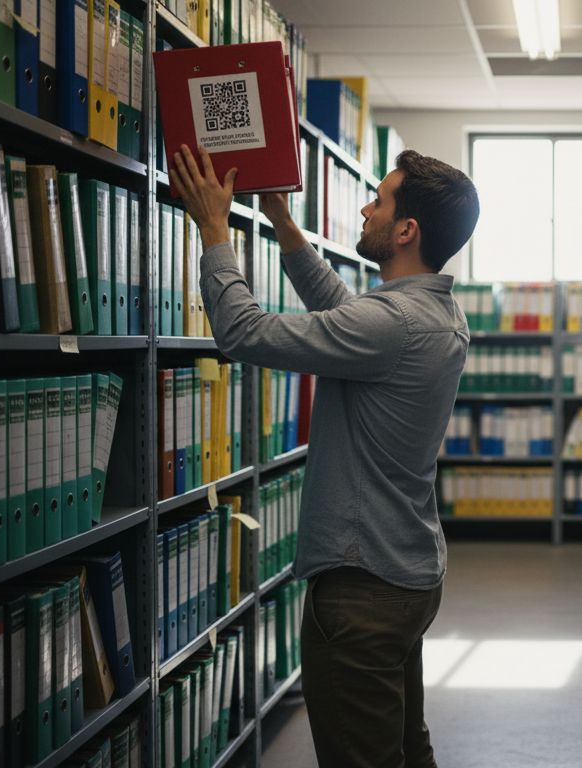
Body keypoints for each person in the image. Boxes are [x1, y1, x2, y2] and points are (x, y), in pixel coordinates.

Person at [170, 143, 479, 767]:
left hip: (363, 590)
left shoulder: (393, 324)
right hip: (408, 572)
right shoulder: (434, 312)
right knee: (405, 748)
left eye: (379, 201)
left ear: (406, 230)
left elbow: (243, 332)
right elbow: (346, 314)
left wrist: (213, 230)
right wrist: (284, 226)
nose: (365, 210)